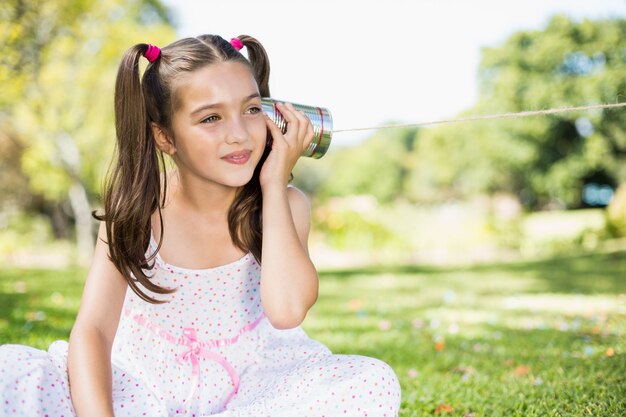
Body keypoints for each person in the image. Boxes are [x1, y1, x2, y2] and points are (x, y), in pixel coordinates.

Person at [0, 34, 401, 417]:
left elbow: (288, 310)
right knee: (11, 371)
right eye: (211, 118)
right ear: (165, 137)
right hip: (142, 390)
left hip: (253, 392)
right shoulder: (137, 213)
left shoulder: (285, 206)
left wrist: (274, 183)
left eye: (251, 109)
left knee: (371, 381)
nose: (239, 134)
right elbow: (93, 332)